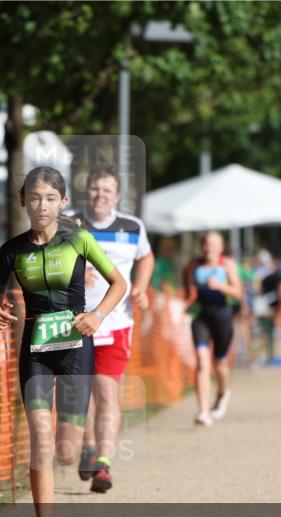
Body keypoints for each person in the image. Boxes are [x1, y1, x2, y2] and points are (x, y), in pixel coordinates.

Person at [0, 166, 126, 517]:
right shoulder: (11, 250)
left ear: (63, 202)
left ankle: (86, 448)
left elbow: (119, 283)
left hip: (76, 347)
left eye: (50, 198)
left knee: (65, 451)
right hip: (35, 350)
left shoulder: (78, 238)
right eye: (34, 197)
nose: (41, 205)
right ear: (22, 201)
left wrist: (97, 315)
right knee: (41, 441)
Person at [75, 165, 154, 494]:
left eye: (107, 190)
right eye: (96, 188)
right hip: (76, 323)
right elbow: (49, 258)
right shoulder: (70, 224)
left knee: (106, 392)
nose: (100, 195)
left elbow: (146, 258)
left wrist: (141, 286)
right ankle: (88, 446)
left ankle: (103, 465)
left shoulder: (132, 227)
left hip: (116, 323)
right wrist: (74, 272)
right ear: (87, 191)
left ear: (117, 196)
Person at [183, 231, 242, 426]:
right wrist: (189, 297)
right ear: (202, 246)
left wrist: (221, 286)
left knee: (220, 363)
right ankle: (203, 411)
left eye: (214, 244)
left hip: (222, 316)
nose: (210, 248)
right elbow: (186, 280)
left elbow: (238, 292)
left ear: (221, 247)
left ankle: (223, 393)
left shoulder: (227, 264)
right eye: (207, 244)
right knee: (202, 362)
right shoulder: (195, 264)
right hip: (201, 316)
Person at [254, 249, 281, 363]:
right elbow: (257, 288)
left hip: (270, 303)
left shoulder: (272, 273)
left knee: (268, 327)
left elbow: (280, 287)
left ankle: (269, 353)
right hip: (264, 303)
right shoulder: (260, 273)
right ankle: (267, 352)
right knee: (265, 328)